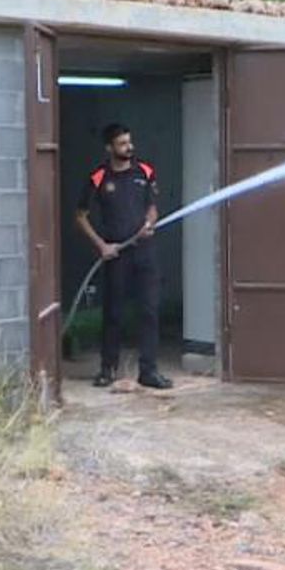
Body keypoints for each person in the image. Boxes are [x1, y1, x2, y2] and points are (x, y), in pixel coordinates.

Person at [74, 122, 173, 390]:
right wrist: (101, 246)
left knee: (149, 311)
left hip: (145, 253)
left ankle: (148, 371)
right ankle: (108, 369)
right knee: (114, 313)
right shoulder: (98, 177)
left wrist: (149, 223)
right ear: (109, 148)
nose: (129, 147)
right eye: (122, 144)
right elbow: (80, 216)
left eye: (129, 142)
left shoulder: (145, 171)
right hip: (116, 254)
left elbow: (152, 207)